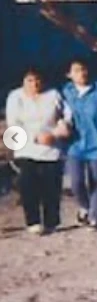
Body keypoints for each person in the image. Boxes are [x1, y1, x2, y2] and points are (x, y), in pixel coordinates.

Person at [5, 67, 72, 235]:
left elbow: (66, 115)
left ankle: (51, 221)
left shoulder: (53, 95)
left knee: (51, 186)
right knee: (28, 185)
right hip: (26, 147)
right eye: (30, 80)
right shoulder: (15, 97)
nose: (34, 84)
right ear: (23, 82)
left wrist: (58, 131)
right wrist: (35, 137)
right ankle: (33, 221)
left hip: (51, 147)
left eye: (37, 80)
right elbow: (13, 124)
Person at [62, 57, 97, 231]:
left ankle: (95, 216)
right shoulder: (65, 93)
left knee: (95, 182)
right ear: (69, 74)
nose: (82, 73)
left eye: (84, 69)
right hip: (74, 146)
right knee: (76, 183)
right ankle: (84, 207)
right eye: (77, 70)